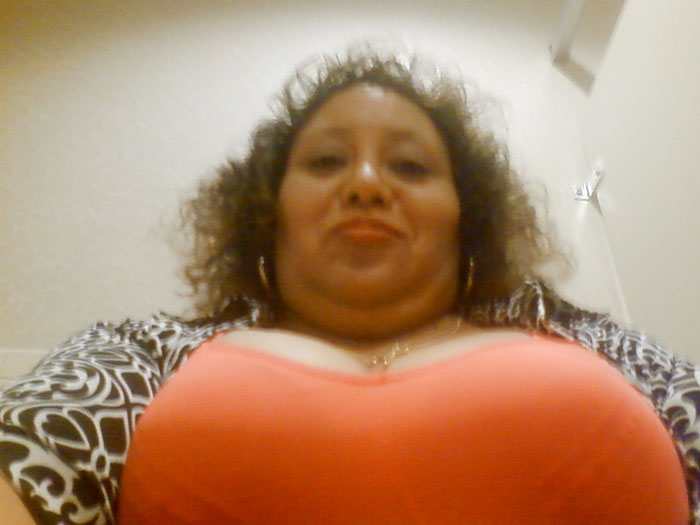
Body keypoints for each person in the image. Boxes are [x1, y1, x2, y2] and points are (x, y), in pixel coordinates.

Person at [0, 49, 697, 524]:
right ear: (267, 215)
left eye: (411, 167)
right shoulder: (145, 350)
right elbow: (27, 456)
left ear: (468, 222)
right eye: (328, 161)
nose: (366, 184)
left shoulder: (582, 335)